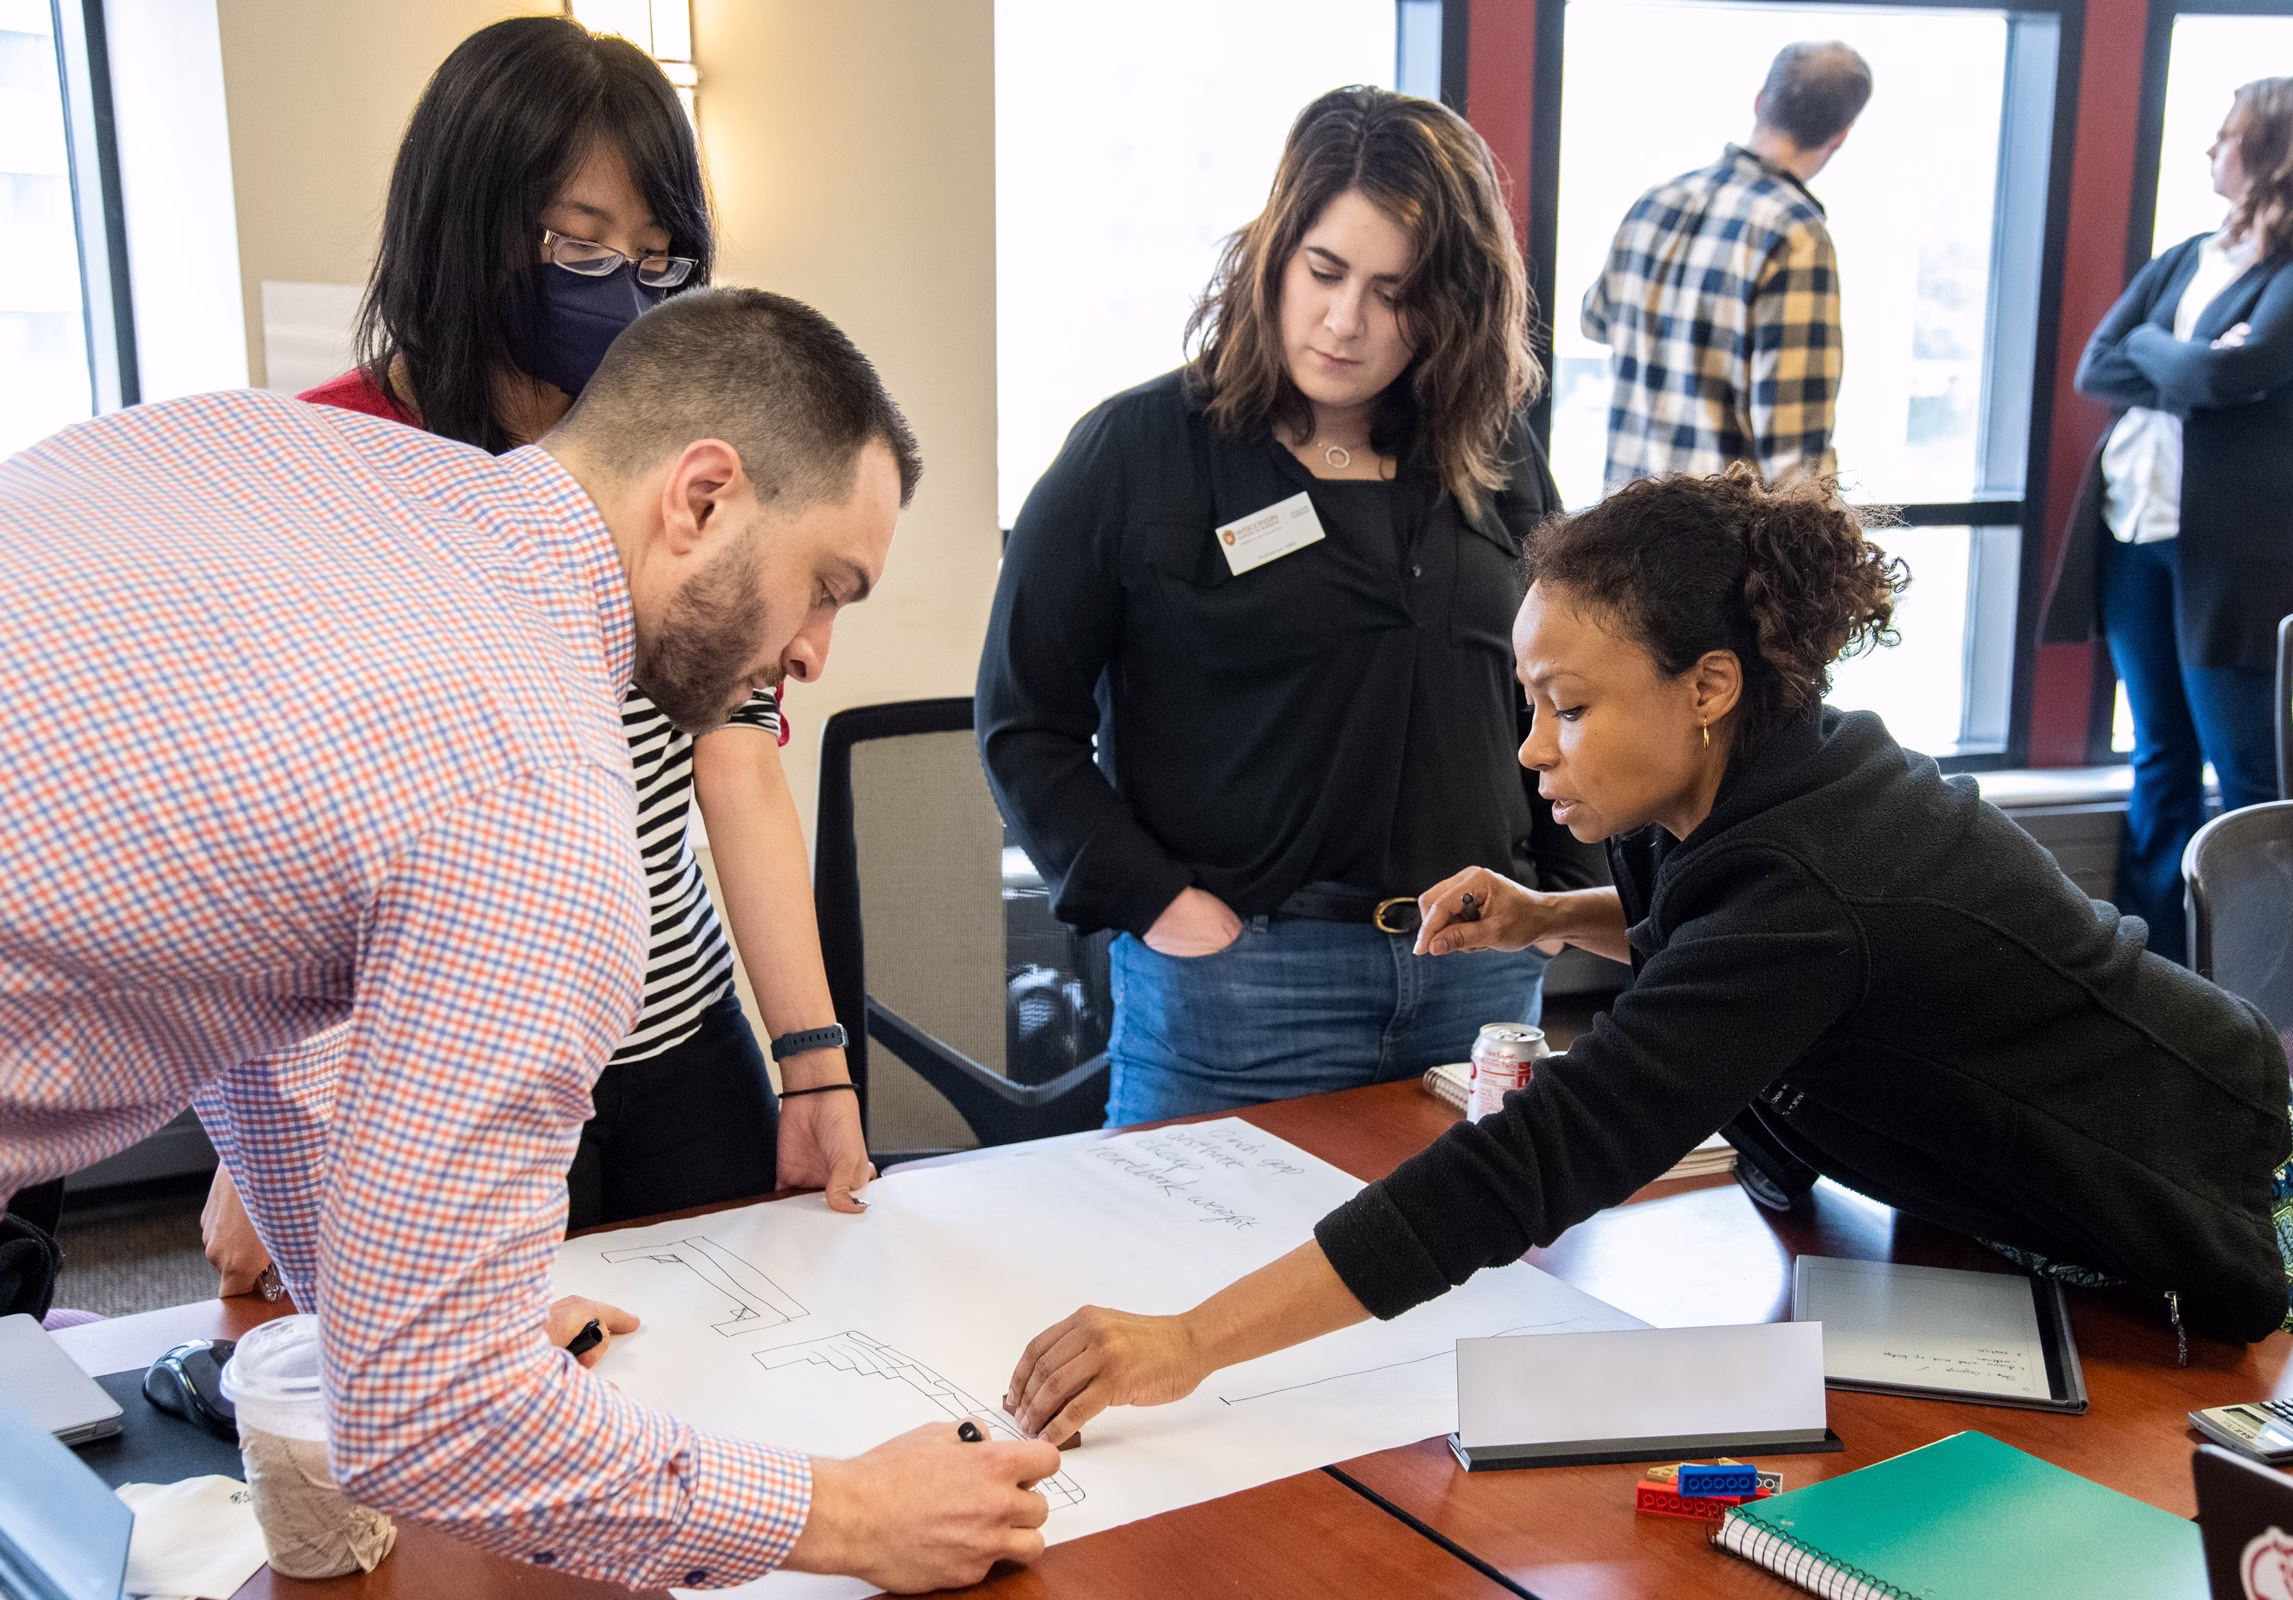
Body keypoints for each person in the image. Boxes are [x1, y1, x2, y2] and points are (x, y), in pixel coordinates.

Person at [0, 289, 1060, 1591]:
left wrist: (404, 1306)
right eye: (825, 590)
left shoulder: (253, 447)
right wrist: (851, 1518)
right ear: (704, 497)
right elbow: (427, 1426)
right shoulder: (533, 789)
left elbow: (243, 977)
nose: (818, 654)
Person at [1004, 469, 2293, 1448]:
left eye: (1568, 707)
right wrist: (1546, 915)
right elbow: (1735, 947)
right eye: (1530, 702)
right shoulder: (1736, 791)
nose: (1533, 749)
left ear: (1707, 686)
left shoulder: (1813, 874)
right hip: (1996, 1208)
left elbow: (1538, 1158)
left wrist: (1188, 1342)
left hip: (2191, 1187)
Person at [198, 18, 872, 1305]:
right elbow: (292, 838)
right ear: (468, 223)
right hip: (452, 1066)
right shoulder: (340, 458)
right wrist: (265, 1129)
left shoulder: (689, 459)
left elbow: (737, 766)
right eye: (579, 244)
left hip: (673, 1038)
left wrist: (813, 1060)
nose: (622, 285)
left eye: (658, 258)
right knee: (485, 1428)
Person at [977, 87, 1608, 1126]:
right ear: (1272, 253)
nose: (1344, 320)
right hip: (1241, 985)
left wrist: (1564, 890)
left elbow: (1562, 685)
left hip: (1476, 979)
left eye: (1394, 291)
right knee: (1189, 1284)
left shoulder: (1495, 461)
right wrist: (1161, 906)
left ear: (1452, 304)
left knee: (1471, 1286)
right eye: (1325, 269)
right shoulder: (1135, 452)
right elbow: (1022, 718)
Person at [2042, 77, 2293, 966]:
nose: (2209, 151)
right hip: (2136, 527)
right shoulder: (2189, 254)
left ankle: (2271, 980)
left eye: (2227, 137)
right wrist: (2183, 358)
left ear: (2275, 151)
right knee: (2161, 757)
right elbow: (2098, 365)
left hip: (2242, 545)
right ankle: (2152, 970)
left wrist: (2187, 361)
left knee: (2248, 771)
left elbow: (2230, 377)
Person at [1579, 41, 1871, 492]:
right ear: (1842, 134)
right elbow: (1796, 458)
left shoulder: (1656, 202)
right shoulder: (1795, 235)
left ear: (1760, 102)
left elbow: (1595, 321)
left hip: (1621, 535)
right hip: (1717, 551)